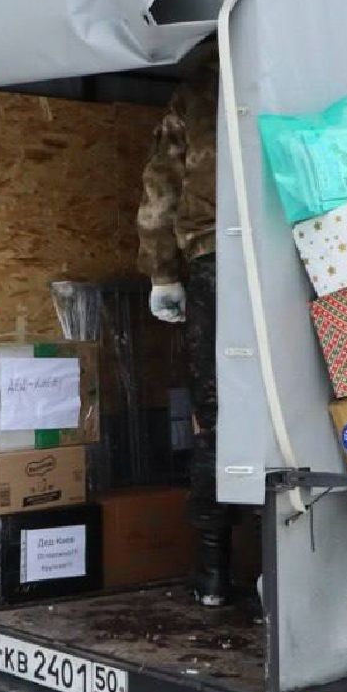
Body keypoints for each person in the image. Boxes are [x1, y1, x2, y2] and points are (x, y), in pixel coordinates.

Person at [137, 49, 259, 613]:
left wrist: (163, 273)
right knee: (280, 409)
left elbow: (160, 188)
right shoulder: (296, 58)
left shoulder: (198, 89)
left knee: (215, 414)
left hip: (214, 259)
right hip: (285, 257)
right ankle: (278, 571)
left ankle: (212, 572)